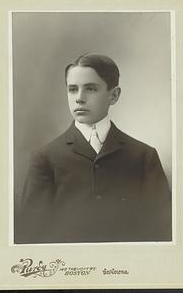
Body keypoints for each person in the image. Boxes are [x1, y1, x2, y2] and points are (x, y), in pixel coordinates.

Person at [15, 53, 172, 244]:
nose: (79, 98)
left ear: (113, 95)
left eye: (90, 88)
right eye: (72, 89)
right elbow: (32, 231)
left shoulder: (143, 156)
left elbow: (162, 229)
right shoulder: (46, 157)